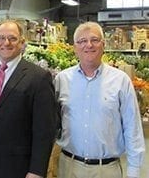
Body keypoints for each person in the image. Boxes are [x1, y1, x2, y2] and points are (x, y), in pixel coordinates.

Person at [0, 20, 58, 178]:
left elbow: (44, 130)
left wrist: (36, 170)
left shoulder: (38, 78)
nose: (6, 43)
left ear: (22, 42)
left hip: (16, 168)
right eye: (1, 38)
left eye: (12, 38)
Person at [54, 21, 145, 178]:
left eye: (94, 40)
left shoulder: (120, 80)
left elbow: (132, 127)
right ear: (75, 48)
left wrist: (134, 171)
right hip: (69, 167)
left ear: (103, 45)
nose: (88, 45)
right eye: (82, 41)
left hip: (107, 170)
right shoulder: (62, 80)